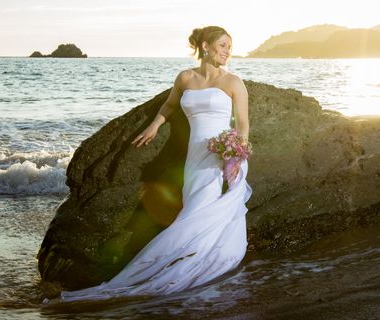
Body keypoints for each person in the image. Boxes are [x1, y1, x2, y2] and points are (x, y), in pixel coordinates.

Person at [55, 26, 253, 302]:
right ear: (206, 46)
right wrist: (155, 126)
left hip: (221, 156)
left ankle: (200, 262)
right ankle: (182, 262)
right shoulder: (185, 78)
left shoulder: (233, 82)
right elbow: (169, 106)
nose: (227, 51)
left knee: (205, 208)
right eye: (222, 45)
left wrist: (236, 152)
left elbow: (242, 123)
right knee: (194, 205)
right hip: (195, 155)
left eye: (230, 46)